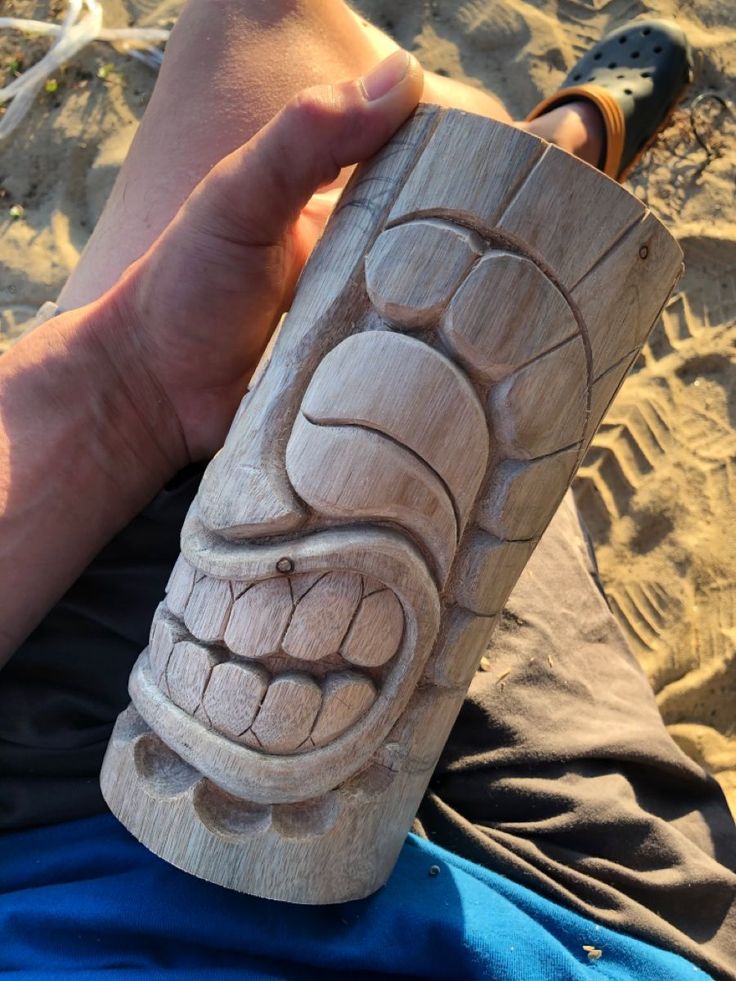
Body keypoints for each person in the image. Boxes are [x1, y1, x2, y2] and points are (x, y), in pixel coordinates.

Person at [0, 2, 733, 978]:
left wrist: (128, 383)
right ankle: (552, 153)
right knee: (462, 301)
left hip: (57, 830)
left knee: (273, 42)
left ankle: (534, 158)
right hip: (566, 915)